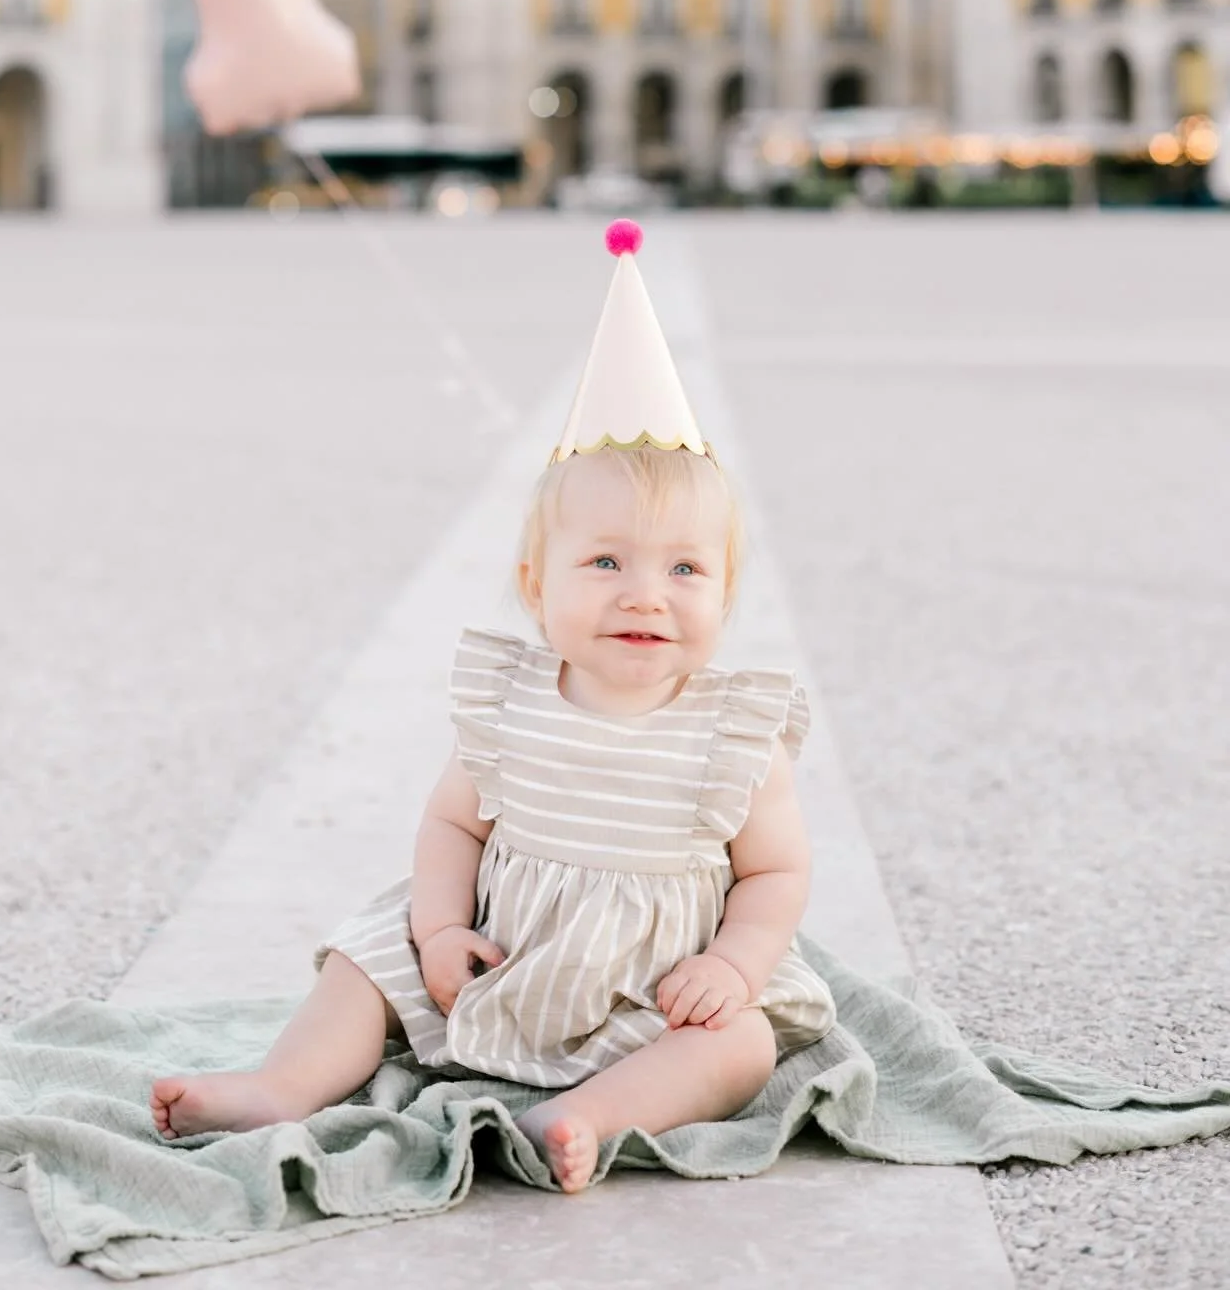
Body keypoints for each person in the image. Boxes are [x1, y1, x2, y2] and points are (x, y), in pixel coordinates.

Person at [150, 221, 836, 1192]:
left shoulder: (735, 734)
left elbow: (774, 872)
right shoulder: (512, 704)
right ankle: (281, 1085)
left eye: (686, 568)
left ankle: (589, 1112)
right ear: (534, 584)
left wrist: (732, 963)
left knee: (741, 1046)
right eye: (605, 562)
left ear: (726, 593)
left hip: (649, 986)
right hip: (500, 957)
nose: (646, 593)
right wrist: (437, 932)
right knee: (363, 958)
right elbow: (450, 822)